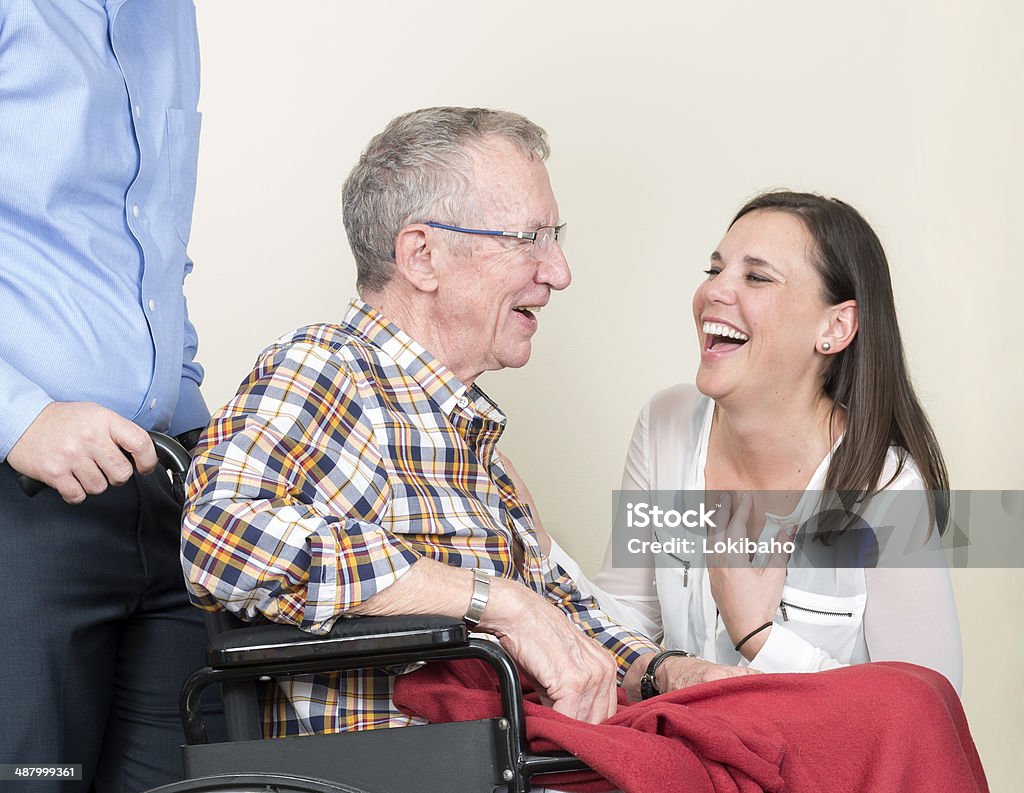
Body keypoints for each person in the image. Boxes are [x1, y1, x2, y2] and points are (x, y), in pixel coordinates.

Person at [181, 107, 760, 738]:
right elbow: (221, 536)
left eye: (555, 236)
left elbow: (563, 627)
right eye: (529, 239)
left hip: (526, 753)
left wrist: (670, 674)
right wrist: (495, 601)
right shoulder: (327, 366)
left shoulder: (470, 440)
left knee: (845, 709)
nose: (559, 272)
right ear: (423, 256)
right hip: (413, 770)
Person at [547, 190, 963, 690]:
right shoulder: (667, 424)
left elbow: (926, 715)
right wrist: (540, 548)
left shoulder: (888, 489)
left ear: (835, 326)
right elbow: (627, 625)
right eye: (714, 270)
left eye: (756, 276)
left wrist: (760, 637)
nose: (714, 292)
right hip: (688, 761)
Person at [0, 2, 213, 789]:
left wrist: (194, 415)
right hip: (21, 500)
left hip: (161, 482)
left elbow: (151, 243)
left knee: (187, 777)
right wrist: (17, 416)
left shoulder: (171, 16)